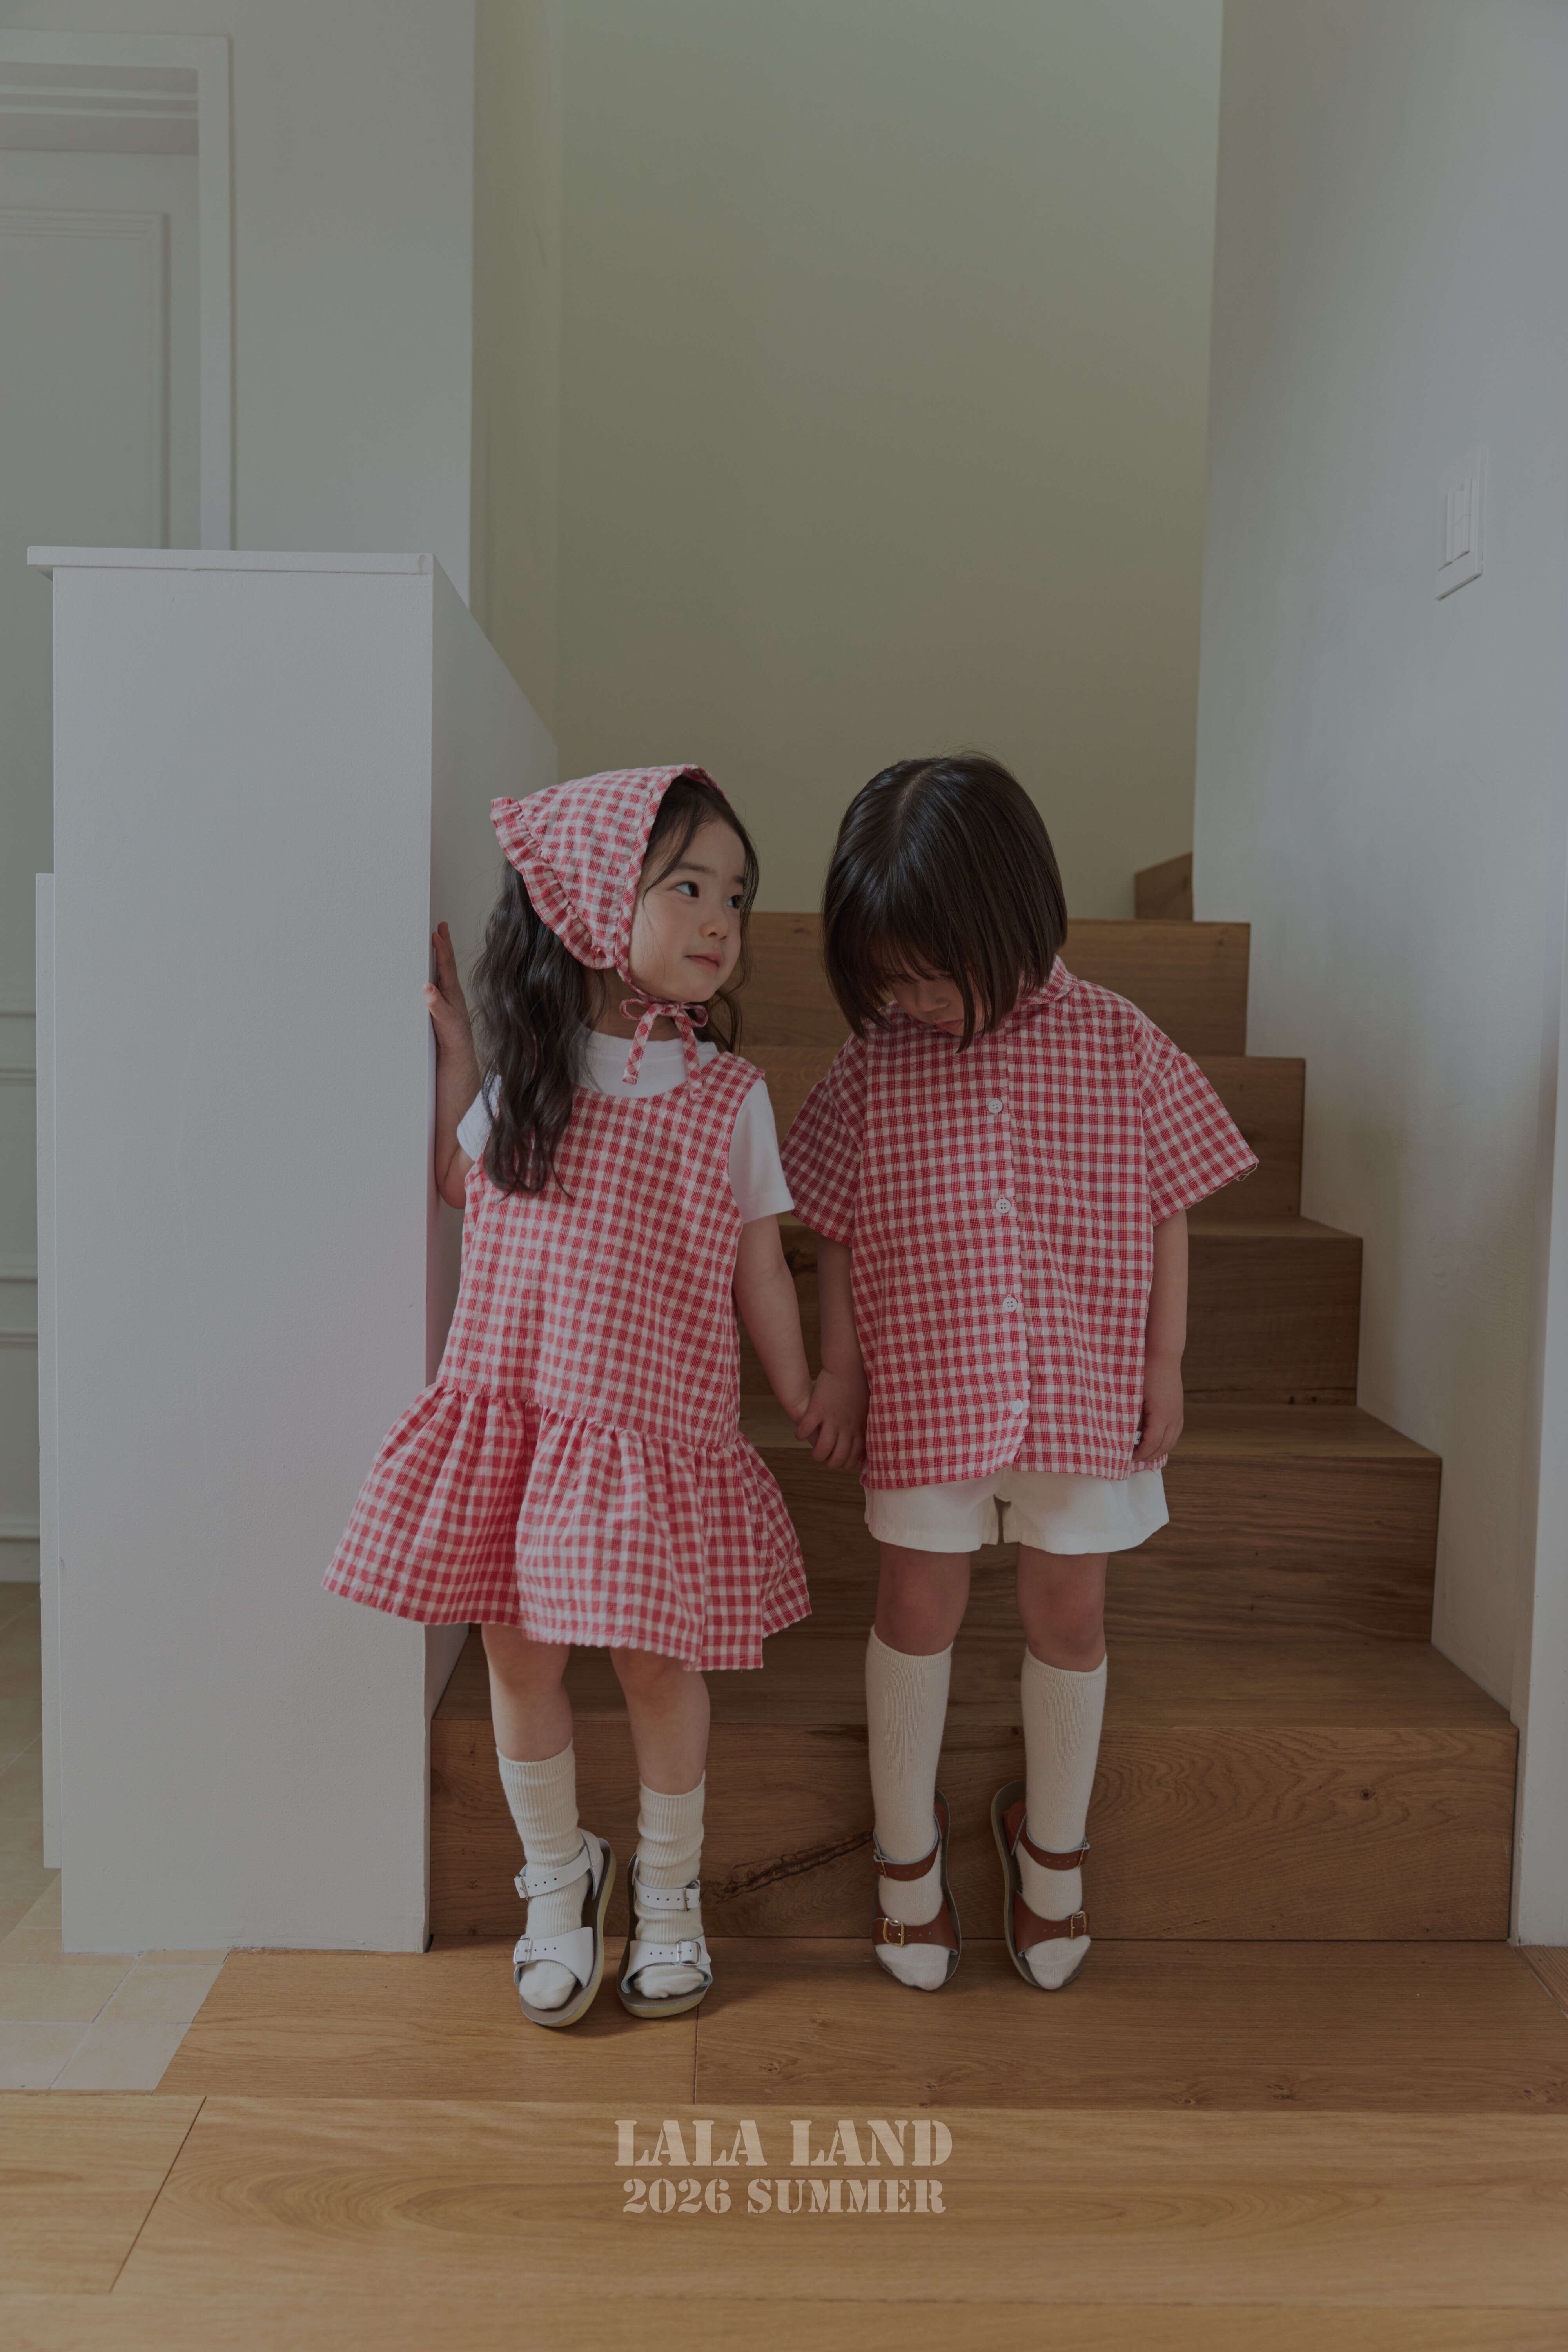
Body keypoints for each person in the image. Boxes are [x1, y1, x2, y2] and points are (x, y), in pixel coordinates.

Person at [327, 767, 817, 2028]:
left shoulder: (727, 1095)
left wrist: (804, 1387)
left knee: (657, 1663)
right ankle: (558, 1878)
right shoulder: (532, 1080)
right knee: (519, 1649)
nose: (721, 919)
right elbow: (461, 1182)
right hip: (527, 1417)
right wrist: (460, 1056)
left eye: (738, 897)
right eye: (689, 887)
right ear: (599, 902)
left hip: (653, 1430)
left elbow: (762, 1265)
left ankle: (668, 1892)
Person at [786, 755, 1256, 1993]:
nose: (912, 1002)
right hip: (927, 1382)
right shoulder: (876, 1062)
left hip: (1082, 1384)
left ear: (1014, 920)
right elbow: (831, 1223)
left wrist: (1165, 1360)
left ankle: (1052, 1849)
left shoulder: (1122, 1042)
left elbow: (1169, 1205)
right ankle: (904, 1854)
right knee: (915, 1604)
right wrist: (841, 1369)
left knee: (1070, 1612)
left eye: (932, 976)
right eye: (889, 980)